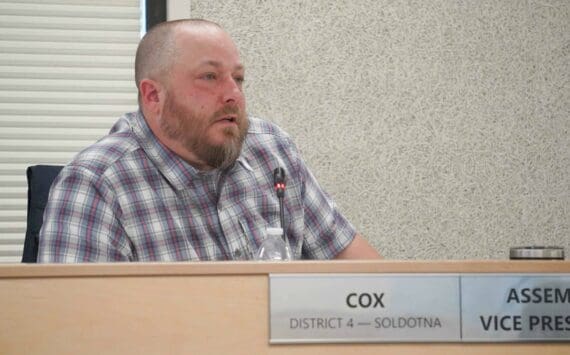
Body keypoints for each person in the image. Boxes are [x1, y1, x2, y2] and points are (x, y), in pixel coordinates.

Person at [38, 19, 380, 262]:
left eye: (239, 79)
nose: (233, 95)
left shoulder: (272, 151)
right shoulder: (96, 185)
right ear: (153, 96)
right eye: (210, 77)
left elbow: (361, 274)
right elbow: (74, 332)